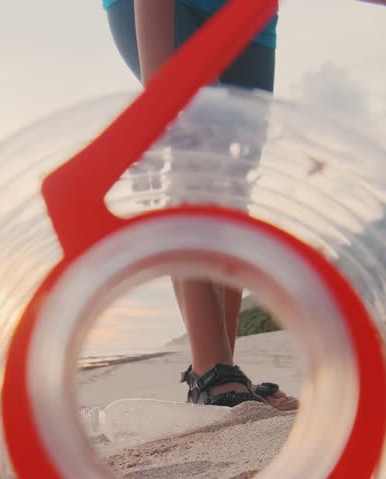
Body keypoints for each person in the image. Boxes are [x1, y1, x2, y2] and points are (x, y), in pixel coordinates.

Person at [103, 0, 294, 409]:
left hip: (253, 12)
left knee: (235, 178)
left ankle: (222, 373)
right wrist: (159, 109)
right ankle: (213, 371)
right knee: (194, 145)